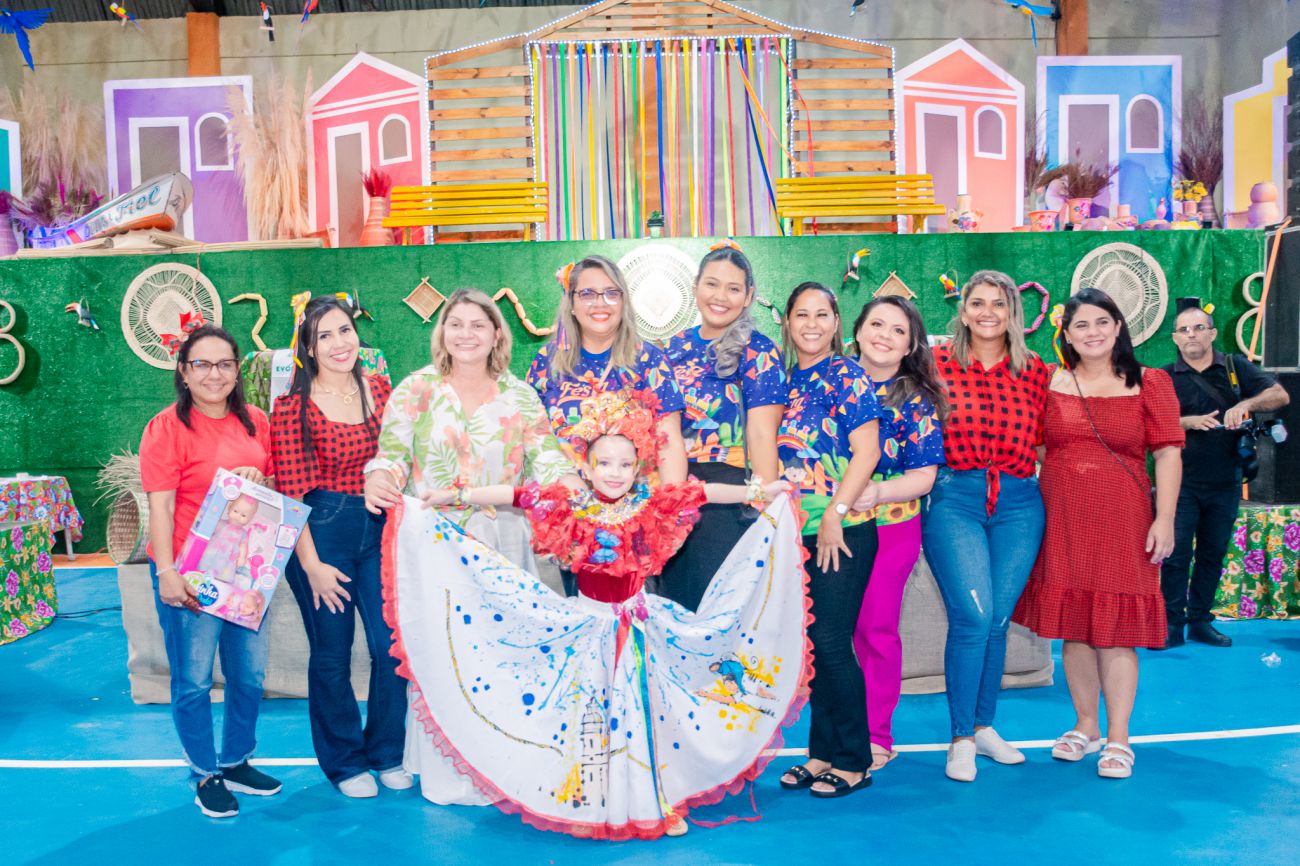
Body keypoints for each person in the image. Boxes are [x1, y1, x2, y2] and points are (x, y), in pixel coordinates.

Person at [383, 390, 806, 840]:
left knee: (646, 716)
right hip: (588, 629)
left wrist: (762, 490)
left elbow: (704, 492)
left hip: (640, 629)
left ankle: (655, 800)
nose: (614, 473)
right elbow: (515, 494)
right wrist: (455, 494)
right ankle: (593, 798)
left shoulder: (650, 504)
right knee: (589, 716)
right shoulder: (571, 505)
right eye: (604, 463)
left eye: (625, 464)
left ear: (638, 467)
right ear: (586, 466)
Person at [362, 289, 574, 806]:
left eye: (477, 324)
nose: (465, 334)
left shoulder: (520, 396)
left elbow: (545, 459)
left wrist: (571, 482)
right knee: (445, 654)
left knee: (503, 652)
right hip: (437, 544)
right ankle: (449, 769)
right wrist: (379, 477)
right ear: (442, 333)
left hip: (504, 541)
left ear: (497, 333)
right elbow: (391, 455)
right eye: (455, 324)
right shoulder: (416, 390)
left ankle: (503, 766)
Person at [1013, 288, 1183, 780]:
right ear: (1066, 334)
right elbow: (1037, 446)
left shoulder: (1151, 382)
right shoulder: (1049, 381)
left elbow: (1168, 452)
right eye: (1081, 325)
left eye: (1102, 322)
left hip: (1124, 518)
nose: (1093, 332)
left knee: (1117, 631)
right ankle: (1085, 725)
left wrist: (1165, 518)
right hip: (1062, 517)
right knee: (1076, 626)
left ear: (1118, 327)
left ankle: (1119, 737)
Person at [140, 321, 283, 818]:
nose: (214, 374)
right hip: (191, 573)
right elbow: (160, 507)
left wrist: (260, 477)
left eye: (224, 364)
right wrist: (167, 572)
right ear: (183, 371)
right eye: (202, 364)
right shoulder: (165, 428)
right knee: (195, 680)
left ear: (237, 370)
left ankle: (237, 760)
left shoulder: (257, 422)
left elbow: (273, 492)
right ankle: (204, 773)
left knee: (249, 675)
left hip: (247, 573)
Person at [271, 295, 404, 798]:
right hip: (320, 532)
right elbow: (291, 496)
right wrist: (312, 567)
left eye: (344, 330)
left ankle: (387, 751)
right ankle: (345, 763)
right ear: (308, 347)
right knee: (332, 651)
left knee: (390, 646)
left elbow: (400, 457)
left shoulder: (381, 391)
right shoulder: (293, 407)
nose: (338, 343)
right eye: (323, 335)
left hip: (379, 529)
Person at [923, 269, 1053, 783]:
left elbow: (1048, 443)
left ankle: (983, 726)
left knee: (998, 619)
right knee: (973, 618)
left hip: (1020, 502)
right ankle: (960, 739)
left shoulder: (1036, 371)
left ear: (1013, 313)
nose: (987, 313)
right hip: (956, 498)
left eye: (999, 304)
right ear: (962, 310)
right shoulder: (936, 364)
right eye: (978, 302)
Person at [775, 282, 882, 799]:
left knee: (833, 643)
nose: (812, 324)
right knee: (813, 645)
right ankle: (821, 753)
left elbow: (868, 451)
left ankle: (855, 760)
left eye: (822, 315)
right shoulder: (783, 380)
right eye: (802, 314)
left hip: (841, 531)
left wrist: (838, 512)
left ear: (837, 323)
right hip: (795, 534)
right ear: (787, 322)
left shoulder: (847, 374)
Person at [659, 242, 787, 611]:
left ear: (748, 297)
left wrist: (765, 510)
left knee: (718, 612)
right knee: (675, 607)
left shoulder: (758, 350)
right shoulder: (673, 348)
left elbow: (762, 434)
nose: (720, 297)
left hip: (731, 496)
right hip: (676, 489)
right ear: (696, 286)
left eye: (733, 289)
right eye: (712, 284)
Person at [848, 296, 946, 770]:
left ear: (910, 346)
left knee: (875, 628)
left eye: (898, 330)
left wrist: (878, 492)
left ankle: (876, 734)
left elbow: (924, 477)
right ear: (858, 330)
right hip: (829, 525)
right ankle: (834, 733)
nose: (884, 336)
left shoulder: (917, 399)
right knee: (830, 633)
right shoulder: (830, 382)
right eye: (877, 324)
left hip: (890, 528)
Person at [1160, 297, 1291, 648]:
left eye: (1198, 328)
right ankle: (1171, 625)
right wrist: (1185, 422)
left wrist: (1246, 403)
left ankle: (1200, 622)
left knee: (1212, 553)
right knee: (1175, 555)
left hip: (1226, 480)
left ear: (1212, 333)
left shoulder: (1234, 367)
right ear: (1175, 338)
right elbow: (1145, 423)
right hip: (1180, 483)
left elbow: (1280, 395)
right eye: (1184, 330)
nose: (1191, 334)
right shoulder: (1164, 377)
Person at [527, 255, 688, 481]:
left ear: (623, 302)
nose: (600, 303)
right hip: (562, 494)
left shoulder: (649, 359)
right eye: (587, 294)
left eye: (611, 293)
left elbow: (668, 442)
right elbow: (532, 438)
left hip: (635, 496)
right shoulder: (547, 360)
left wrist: (671, 500)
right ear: (571, 303)